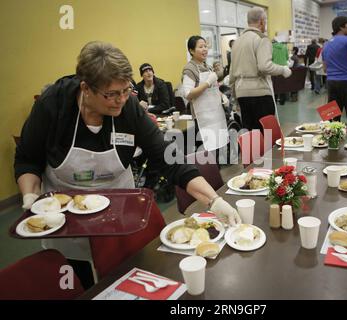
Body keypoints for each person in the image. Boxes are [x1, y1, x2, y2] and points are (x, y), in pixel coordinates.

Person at [15, 41, 241, 284]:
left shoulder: (128, 106)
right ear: (86, 88)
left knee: (128, 278)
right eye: (111, 94)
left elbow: (170, 160)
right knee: (81, 285)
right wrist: (30, 198)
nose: (121, 100)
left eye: (126, 91)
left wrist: (214, 200)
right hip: (64, 222)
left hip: (118, 216)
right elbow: (28, 160)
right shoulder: (53, 105)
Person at [229, 7, 291, 131]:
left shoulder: (237, 42)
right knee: (266, 134)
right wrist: (283, 70)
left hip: (241, 93)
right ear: (262, 21)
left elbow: (231, 74)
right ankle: (267, 152)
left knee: (251, 134)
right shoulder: (262, 38)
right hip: (260, 94)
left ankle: (253, 151)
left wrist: (235, 97)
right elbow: (265, 66)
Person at [181, 36, 229, 155]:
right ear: (191, 51)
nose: (204, 49)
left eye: (205, 46)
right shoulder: (189, 69)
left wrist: (222, 95)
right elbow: (188, 94)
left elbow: (213, 88)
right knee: (208, 154)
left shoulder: (207, 66)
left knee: (217, 151)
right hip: (203, 118)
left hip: (215, 116)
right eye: (200, 47)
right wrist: (207, 82)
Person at [322, 16, 347, 122]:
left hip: (331, 83)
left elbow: (325, 68)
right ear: (341, 27)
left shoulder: (326, 44)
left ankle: (331, 137)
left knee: (331, 117)